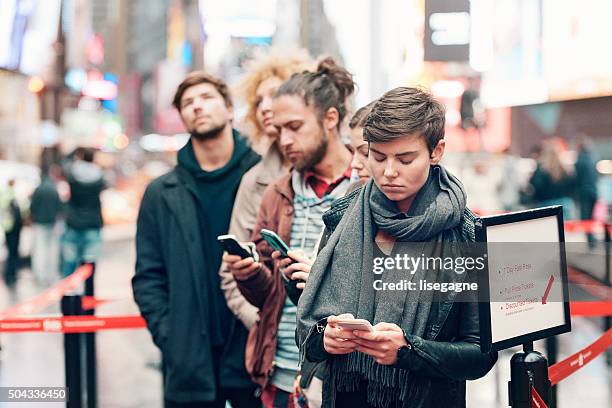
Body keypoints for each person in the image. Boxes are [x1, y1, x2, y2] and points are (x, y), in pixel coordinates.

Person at [297, 87, 498, 408]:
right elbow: (308, 330)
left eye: (405, 159)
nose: (388, 172)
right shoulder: (344, 216)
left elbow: (480, 354)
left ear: (436, 151)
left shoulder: (465, 233)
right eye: (377, 157)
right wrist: (325, 338)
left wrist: (408, 351)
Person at [224, 57, 355, 408]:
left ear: (331, 119)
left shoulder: (368, 186)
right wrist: (249, 275)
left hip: (348, 376)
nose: (285, 139)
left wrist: (321, 278)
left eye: (295, 126)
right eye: (279, 129)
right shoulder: (277, 191)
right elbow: (267, 295)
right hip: (281, 373)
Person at [132, 71, 261, 408]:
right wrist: (171, 337)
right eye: (188, 103)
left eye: (206, 98)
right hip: (190, 359)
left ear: (230, 109)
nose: (197, 107)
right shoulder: (161, 193)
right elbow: (148, 276)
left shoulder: (264, 180)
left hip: (254, 352)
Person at [219, 48, 312, 331]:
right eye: (258, 100)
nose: (264, 107)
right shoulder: (254, 180)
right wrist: (260, 324)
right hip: (275, 345)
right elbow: (230, 271)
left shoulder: (341, 168)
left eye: (274, 95)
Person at [60, 148, 106, 276]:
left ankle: (69, 295)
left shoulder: (73, 174)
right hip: (92, 224)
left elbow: (64, 161)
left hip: (73, 223)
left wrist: (75, 149)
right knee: (89, 264)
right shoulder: (100, 176)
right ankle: (89, 294)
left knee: (69, 264)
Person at [30, 165, 62, 286]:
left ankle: (39, 274)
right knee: (50, 250)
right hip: (51, 223)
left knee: (40, 249)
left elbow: (32, 207)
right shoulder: (54, 189)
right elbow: (59, 206)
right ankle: (49, 274)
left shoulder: (39, 190)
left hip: (39, 223)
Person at [527, 140, 575, 219]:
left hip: (547, 204)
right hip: (565, 204)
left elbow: (536, 187)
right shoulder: (566, 169)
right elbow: (572, 186)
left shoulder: (541, 169)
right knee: (565, 229)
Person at [574, 135, 599, 246]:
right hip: (593, 191)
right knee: (591, 218)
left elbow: (577, 179)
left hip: (584, 193)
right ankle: (592, 240)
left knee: (585, 218)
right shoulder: (592, 159)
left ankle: (591, 242)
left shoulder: (580, 161)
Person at [1, 179, 23, 288]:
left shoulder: (10, 195)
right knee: (12, 252)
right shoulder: (9, 195)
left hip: (12, 228)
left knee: (12, 252)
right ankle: (9, 275)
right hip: (11, 228)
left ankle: (11, 275)